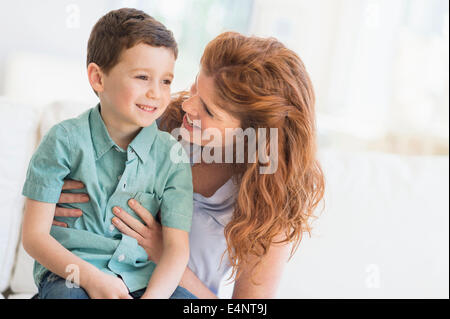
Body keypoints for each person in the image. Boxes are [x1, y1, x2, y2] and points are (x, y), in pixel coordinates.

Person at [53, 31, 325, 298]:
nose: (188, 106)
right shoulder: (164, 125)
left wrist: (165, 255)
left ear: (254, 135)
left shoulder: (270, 201)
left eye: (209, 110)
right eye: (195, 86)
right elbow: (79, 161)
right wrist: (57, 198)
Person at [21, 8, 195, 299]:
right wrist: (94, 280)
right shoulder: (63, 140)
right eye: (142, 77)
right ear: (98, 78)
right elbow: (34, 237)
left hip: (141, 281)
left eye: (166, 80)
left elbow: (177, 249)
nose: (156, 92)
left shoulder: (172, 156)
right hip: (72, 275)